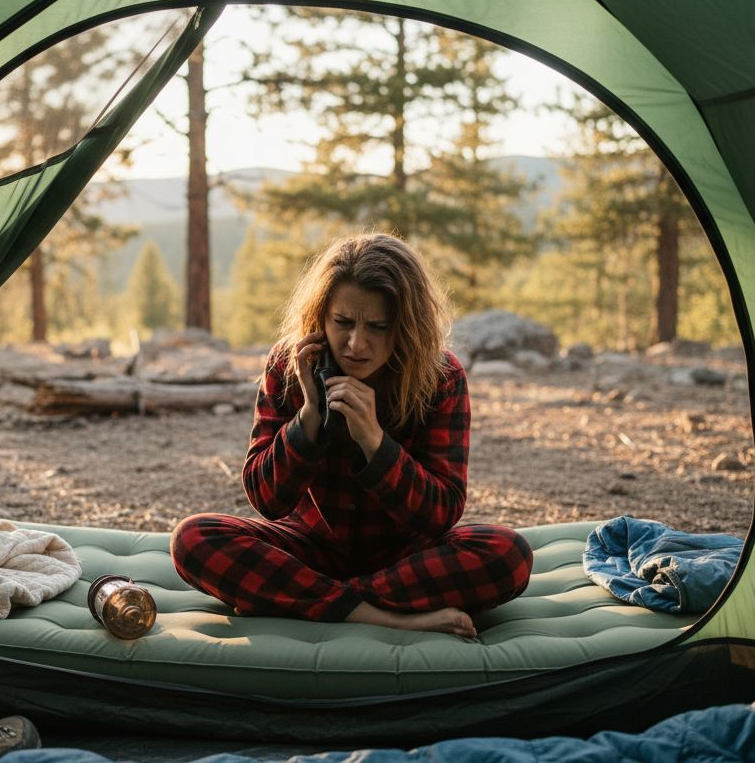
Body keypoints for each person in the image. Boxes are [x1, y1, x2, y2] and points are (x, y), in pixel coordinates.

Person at [170, 233, 532, 637]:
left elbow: (441, 514)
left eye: (378, 327)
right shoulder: (291, 365)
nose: (357, 344)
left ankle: (311, 602)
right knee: (193, 539)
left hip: (405, 560)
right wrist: (308, 420)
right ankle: (381, 616)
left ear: (406, 327)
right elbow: (266, 501)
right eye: (343, 323)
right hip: (309, 547)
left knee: (508, 555)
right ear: (321, 317)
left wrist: (375, 443)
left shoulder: (440, 378)